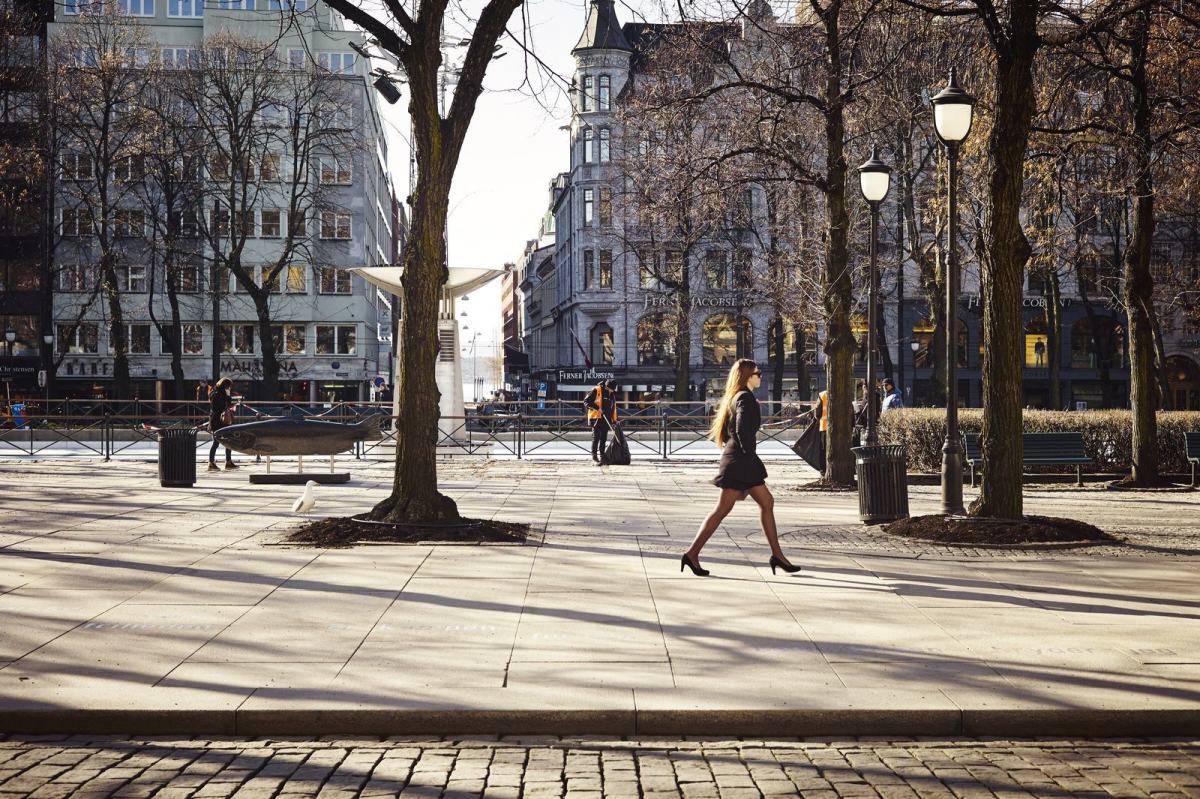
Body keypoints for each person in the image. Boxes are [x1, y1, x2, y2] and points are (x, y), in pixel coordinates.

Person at [681, 359, 800, 577]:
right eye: (758, 373)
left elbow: (736, 431)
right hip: (740, 462)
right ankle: (692, 553)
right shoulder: (744, 397)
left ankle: (778, 556)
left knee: (765, 503)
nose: (760, 376)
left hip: (739, 460)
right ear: (747, 376)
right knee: (723, 510)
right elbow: (743, 430)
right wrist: (748, 454)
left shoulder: (736, 396)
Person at [584, 379, 618, 464]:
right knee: (596, 438)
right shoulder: (597, 390)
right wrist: (597, 408)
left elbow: (613, 408)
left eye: (613, 390)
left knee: (603, 439)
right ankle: (594, 457)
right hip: (596, 418)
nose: (611, 391)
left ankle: (602, 456)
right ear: (607, 386)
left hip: (606, 419)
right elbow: (586, 401)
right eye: (610, 389)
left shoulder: (612, 394)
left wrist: (615, 420)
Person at [208, 377, 237, 471]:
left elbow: (227, 404)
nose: (229, 388)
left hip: (222, 420)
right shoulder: (216, 395)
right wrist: (227, 396)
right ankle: (211, 463)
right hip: (217, 421)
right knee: (216, 442)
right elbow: (222, 406)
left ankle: (228, 461)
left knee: (228, 441)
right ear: (225, 386)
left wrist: (227, 396)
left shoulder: (219, 393)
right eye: (228, 386)